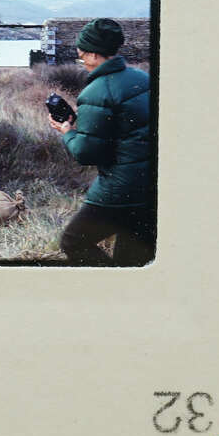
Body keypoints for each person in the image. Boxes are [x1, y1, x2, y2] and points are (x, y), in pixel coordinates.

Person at [48, 18, 154, 266]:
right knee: (132, 261)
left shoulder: (96, 91)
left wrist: (68, 132)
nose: (83, 63)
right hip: (149, 187)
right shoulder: (143, 78)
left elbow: (86, 154)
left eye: (81, 57)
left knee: (73, 242)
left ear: (94, 54)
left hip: (120, 191)